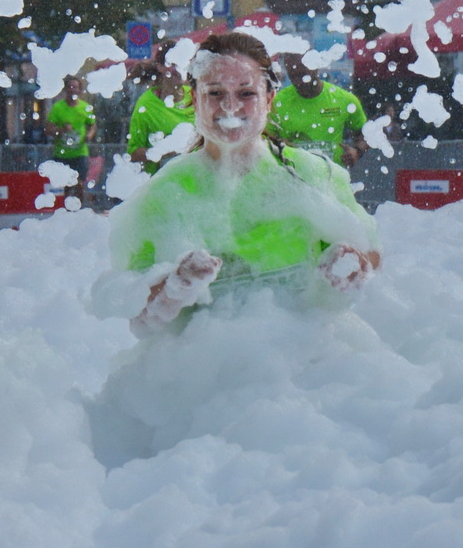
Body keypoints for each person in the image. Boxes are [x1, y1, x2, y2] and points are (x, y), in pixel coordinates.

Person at [98, 32, 380, 340]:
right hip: (207, 375)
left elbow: (371, 252)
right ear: (194, 99)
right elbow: (140, 322)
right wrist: (173, 290)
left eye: (246, 94)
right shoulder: (167, 193)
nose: (231, 107)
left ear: (269, 99)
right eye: (216, 93)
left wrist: (352, 268)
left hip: (304, 366)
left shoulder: (311, 175)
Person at [268, 51, 368, 166]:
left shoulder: (344, 100)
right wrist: (276, 144)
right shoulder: (277, 103)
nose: (298, 82)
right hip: (293, 180)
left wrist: (356, 151)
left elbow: (367, 135)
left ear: (315, 68)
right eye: (292, 76)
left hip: (333, 180)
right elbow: (263, 139)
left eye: (302, 75)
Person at [126, 55, 194, 171]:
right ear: (160, 67)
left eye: (183, 63)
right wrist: (164, 151)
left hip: (194, 181)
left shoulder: (197, 96)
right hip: (162, 182)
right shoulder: (146, 105)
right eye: (174, 64)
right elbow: (133, 154)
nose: (179, 68)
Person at [46, 74, 99, 189]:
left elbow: (93, 125)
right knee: (65, 185)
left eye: (75, 87)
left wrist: (89, 135)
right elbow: (48, 130)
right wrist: (61, 130)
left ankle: (78, 206)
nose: (72, 90)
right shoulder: (58, 108)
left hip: (80, 152)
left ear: (80, 90)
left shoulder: (85, 107)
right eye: (70, 87)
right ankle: (66, 206)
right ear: (65, 89)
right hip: (62, 153)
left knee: (79, 183)